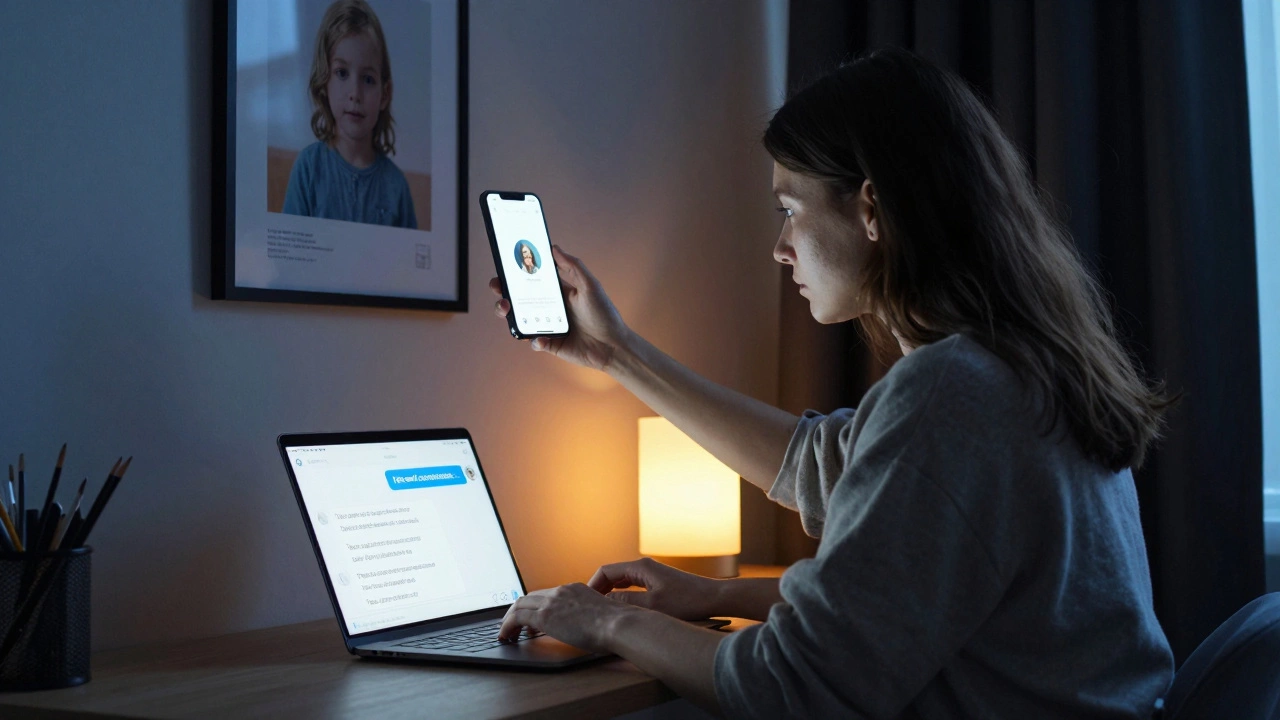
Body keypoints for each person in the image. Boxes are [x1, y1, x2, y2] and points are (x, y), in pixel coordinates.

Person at [492, 48, 1175, 719]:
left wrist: (605, 623)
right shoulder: (1016, 369)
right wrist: (618, 355)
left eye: (790, 209)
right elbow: (828, 480)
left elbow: (792, 688)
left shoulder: (952, 392)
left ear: (871, 208)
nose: (780, 246)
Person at [282, 0, 417, 230]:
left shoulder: (396, 187)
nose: (355, 94)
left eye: (367, 79)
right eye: (342, 73)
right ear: (325, 80)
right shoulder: (308, 169)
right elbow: (286, 256)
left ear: (384, 95)